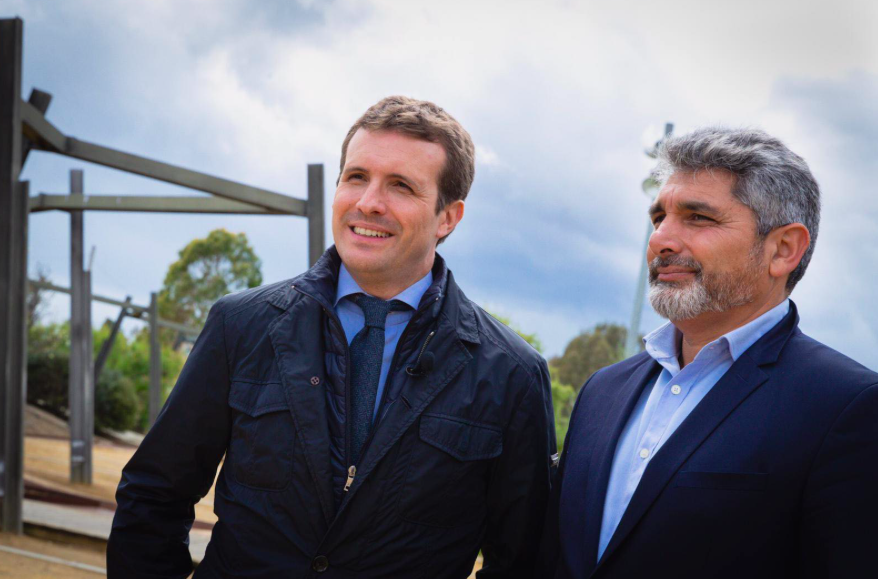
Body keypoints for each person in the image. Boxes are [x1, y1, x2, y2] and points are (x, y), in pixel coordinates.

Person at [107, 96, 555, 578]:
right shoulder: (241, 326)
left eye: (401, 186)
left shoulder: (513, 376)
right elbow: (154, 496)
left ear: (447, 217)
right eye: (356, 177)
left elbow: (522, 563)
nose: (368, 202)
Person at [541, 127, 878, 578]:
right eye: (658, 217)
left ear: (783, 250)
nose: (660, 239)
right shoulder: (603, 390)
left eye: (698, 217)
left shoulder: (848, 407)